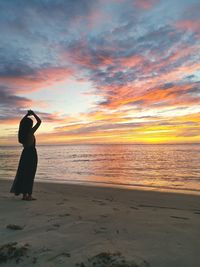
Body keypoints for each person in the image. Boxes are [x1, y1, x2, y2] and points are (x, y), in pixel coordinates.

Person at [10, 110, 41, 200]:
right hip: (31, 154)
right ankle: (29, 195)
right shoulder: (30, 132)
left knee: (24, 173)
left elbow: (21, 123)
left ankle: (24, 195)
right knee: (30, 174)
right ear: (29, 125)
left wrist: (27, 115)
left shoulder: (22, 134)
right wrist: (34, 114)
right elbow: (39, 122)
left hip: (24, 154)